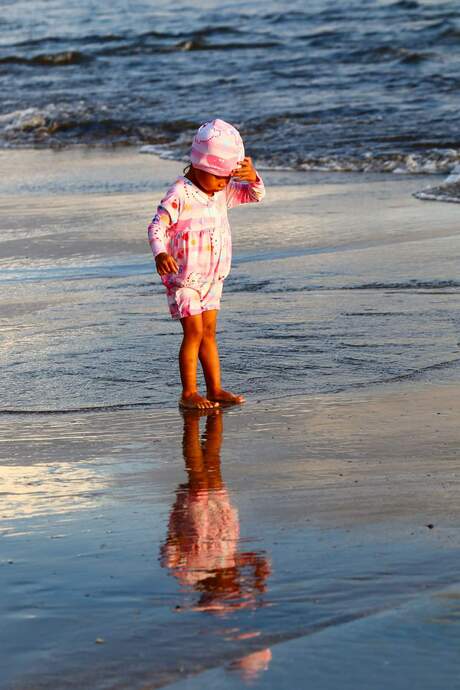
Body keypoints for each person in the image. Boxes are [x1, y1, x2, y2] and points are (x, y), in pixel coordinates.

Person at [148, 119, 265, 409]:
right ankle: (189, 393)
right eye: (219, 177)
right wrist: (161, 253)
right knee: (194, 333)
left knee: (209, 333)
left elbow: (255, 195)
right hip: (185, 279)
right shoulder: (181, 193)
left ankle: (215, 389)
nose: (225, 183)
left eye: (228, 177)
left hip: (213, 278)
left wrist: (252, 176)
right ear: (199, 166)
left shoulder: (221, 191)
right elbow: (156, 227)